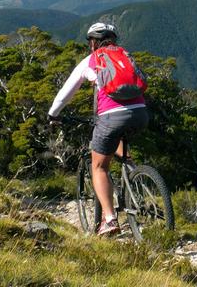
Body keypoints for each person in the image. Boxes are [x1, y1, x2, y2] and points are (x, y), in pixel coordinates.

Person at [48, 23, 149, 236]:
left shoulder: (91, 60)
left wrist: (53, 114)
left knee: (99, 168)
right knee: (118, 138)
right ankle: (131, 167)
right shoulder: (125, 55)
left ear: (92, 42)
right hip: (141, 113)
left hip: (110, 117)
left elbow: (65, 93)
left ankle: (110, 219)